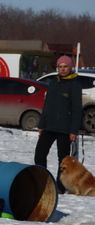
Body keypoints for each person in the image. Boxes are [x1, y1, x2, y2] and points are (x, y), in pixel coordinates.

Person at [34, 55, 82, 193]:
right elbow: (47, 105)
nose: (62, 69)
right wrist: (42, 125)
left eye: (65, 66)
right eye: (60, 67)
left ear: (70, 67)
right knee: (39, 154)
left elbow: (77, 109)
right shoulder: (54, 82)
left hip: (64, 128)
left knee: (63, 159)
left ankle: (60, 186)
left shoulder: (74, 84)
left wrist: (73, 130)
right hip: (49, 126)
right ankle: (43, 181)